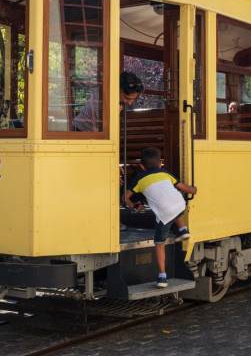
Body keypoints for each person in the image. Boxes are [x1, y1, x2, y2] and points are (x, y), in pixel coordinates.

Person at [124, 147, 197, 288]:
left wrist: (133, 205)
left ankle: (162, 276)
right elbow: (184, 187)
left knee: (159, 243)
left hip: (164, 214)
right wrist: (194, 189)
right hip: (180, 206)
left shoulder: (139, 178)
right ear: (160, 163)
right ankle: (183, 229)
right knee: (175, 198)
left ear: (141, 166)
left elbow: (125, 197)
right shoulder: (165, 173)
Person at [73, 71, 144, 131]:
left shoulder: (116, 102)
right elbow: (104, 128)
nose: (130, 102)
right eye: (127, 98)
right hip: (79, 132)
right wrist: (114, 114)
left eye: (133, 99)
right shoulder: (101, 98)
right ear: (118, 89)